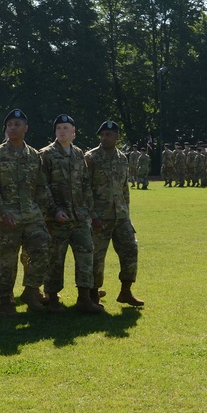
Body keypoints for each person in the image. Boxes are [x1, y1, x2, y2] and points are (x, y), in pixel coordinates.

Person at [0, 108, 49, 315]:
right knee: (6, 262)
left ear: (26, 129)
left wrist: (46, 210)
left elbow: (41, 187)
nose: (12, 128)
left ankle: (31, 291)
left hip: (31, 216)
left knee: (43, 250)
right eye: (9, 125)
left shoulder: (34, 155)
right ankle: (5, 300)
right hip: (5, 219)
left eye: (17, 124)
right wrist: (4, 212)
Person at [40, 114, 101, 313]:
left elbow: (85, 184)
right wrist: (54, 211)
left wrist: (89, 211)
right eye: (59, 128)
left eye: (66, 128)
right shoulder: (46, 154)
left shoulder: (78, 154)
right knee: (55, 259)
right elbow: (43, 187)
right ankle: (53, 298)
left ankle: (84, 297)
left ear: (74, 132)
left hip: (80, 217)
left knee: (85, 256)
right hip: (57, 218)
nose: (62, 131)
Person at [85, 121, 145, 307]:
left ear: (117, 136)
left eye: (108, 134)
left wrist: (126, 210)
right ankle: (93, 294)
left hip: (121, 216)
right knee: (96, 257)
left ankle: (126, 291)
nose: (105, 138)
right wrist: (92, 215)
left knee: (130, 250)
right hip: (100, 217)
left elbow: (124, 187)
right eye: (102, 135)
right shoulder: (91, 157)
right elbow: (85, 188)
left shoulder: (122, 158)